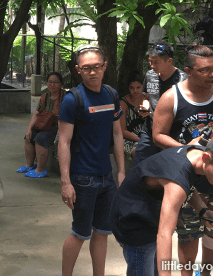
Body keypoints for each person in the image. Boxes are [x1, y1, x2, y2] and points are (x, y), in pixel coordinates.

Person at [151, 44, 213, 276]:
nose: (212, 74)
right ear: (188, 70)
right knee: (189, 231)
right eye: (204, 70)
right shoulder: (171, 97)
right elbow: (158, 136)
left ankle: (205, 273)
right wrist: (189, 150)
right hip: (189, 176)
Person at [110, 134, 213, 276]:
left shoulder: (196, 154)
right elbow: (165, 234)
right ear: (206, 158)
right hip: (133, 219)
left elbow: (188, 185)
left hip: (151, 212)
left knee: (155, 264)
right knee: (145, 267)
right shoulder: (176, 181)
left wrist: (203, 211)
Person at [57, 45, 124, 276]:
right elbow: (63, 141)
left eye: (96, 67)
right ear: (78, 70)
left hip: (107, 177)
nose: (92, 72)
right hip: (82, 177)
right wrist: (66, 182)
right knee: (79, 234)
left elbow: (117, 134)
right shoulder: (72, 99)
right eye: (86, 68)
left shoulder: (111, 95)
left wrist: (121, 171)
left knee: (102, 232)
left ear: (104, 67)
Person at [133, 41, 188, 165]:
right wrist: (145, 107)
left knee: (167, 168)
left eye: (156, 62)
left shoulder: (182, 80)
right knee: (140, 166)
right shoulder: (149, 75)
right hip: (149, 131)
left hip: (171, 133)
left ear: (169, 61)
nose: (152, 65)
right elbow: (146, 97)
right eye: (150, 61)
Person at [16, 72, 64, 178]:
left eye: (55, 82)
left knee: (40, 139)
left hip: (58, 126)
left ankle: (40, 169)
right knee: (28, 137)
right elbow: (36, 114)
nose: (52, 84)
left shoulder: (66, 97)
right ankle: (29, 165)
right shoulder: (45, 97)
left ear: (61, 84)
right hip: (43, 124)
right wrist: (29, 129)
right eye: (50, 82)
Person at [119, 73, 151, 160]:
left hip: (148, 136)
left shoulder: (148, 98)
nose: (135, 91)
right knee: (140, 153)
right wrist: (139, 140)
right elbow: (122, 130)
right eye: (132, 88)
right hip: (129, 139)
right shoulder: (123, 103)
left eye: (138, 87)